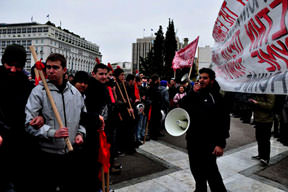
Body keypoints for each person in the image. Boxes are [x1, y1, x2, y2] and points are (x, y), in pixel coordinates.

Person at [25, 53, 86, 192]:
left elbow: (83, 118)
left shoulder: (75, 93)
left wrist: (80, 133)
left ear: (64, 70)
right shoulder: (38, 92)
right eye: (48, 67)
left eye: (55, 67)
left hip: (71, 153)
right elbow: (28, 123)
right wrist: (52, 132)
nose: (51, 71)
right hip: (47, 155)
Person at [180, 68, 229, 192]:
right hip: (193, 140)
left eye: (205, 78)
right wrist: (192, 92)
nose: (201, 80)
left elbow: (223, 122)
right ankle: (200, 189)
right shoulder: (195, 93)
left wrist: (220, 144)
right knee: (196, 170)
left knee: (212, 173)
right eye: (200, 77)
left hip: (209, 143)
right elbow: (182, 107)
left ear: (211, 81)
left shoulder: (217, 97)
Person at [0, 44, 36, 192]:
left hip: (20, 142)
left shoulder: (27, 84)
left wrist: (38, 118)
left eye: (18, 66)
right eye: (9, 64)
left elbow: (31, 110)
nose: (13, 69)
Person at [83, 63, 109, 191]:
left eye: (105, 74)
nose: (104, 77)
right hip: (91, 131)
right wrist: (96, 118)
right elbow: (84, 111)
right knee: (93, 162)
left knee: (99, 161)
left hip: (100, 129)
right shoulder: (91, 88)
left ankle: (98, 185)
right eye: (101, 74)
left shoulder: (103, 87)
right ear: (93, 74)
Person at [249, 94, 275, 165]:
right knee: (259, 138)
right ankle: (261, 155)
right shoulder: (260, 90)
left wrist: (257, 103)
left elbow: (270, 106)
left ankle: (266, 158)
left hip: (266, 120)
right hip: (258, 118)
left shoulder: (270, 92)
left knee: (265, 139)